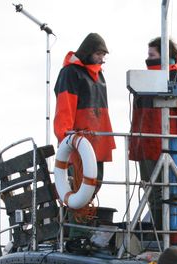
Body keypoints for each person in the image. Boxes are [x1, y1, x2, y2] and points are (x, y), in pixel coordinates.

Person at [129, 37, 177, 234]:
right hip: (145, 146)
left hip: (168, 148)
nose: (148, 58)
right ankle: (161, 233)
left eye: (152, 55)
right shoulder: (143, 82)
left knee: (168, 192)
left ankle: (170, 234)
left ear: (165, 55)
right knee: (152, 192)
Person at [53, 33, 116, 200]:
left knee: (95, 183)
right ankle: (75, 215)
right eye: (98, 54)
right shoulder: (70, 73)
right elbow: (64, 108)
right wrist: (66, 139)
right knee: (77, 185)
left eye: (103, 55)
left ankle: (84, 213)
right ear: (88, 52)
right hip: (78, 143)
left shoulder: (99, 74)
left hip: (97, 141)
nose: (101, 59)